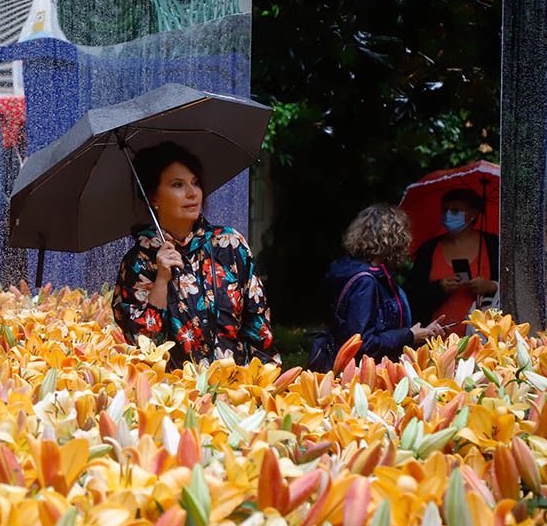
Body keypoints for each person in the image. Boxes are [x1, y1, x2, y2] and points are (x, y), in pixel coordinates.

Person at [112, 142, 277, 367]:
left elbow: (258, 324)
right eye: (178, 185)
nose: (192, 193)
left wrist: (263, 383)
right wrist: (161, 280)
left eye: (195, 183)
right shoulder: (138, 264)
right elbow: (142, 346)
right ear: (154, 198)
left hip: (238, 391)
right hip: (177, 395)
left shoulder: (229, 244)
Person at [317, 204, 445, 365]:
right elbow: (362, 342)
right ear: (395, 240)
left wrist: (419, 332)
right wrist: (409, 335)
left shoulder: (348, 268)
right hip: (365, 372)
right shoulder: (366, 281)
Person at [407, 188, 499, 327]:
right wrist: (439, 288)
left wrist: (491, 286)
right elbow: (412, 294)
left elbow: (514, 288)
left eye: (456, 210)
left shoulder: (494, 245)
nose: (449, 215)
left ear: (473, 213)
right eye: (445, 210)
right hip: (435, 339)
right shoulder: (429, 248)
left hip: (482, 337)